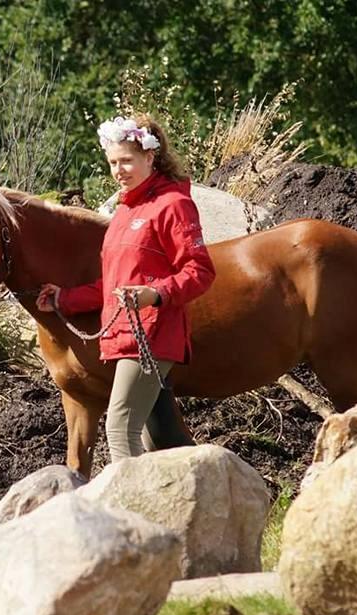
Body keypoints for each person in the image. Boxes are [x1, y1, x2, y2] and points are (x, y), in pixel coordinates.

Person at [36, 114, 216, 462]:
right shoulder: (123, 212)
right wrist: (65, 298)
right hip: (122, 336)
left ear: (150, 157)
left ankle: (130, 510)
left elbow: (200, 270)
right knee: (152, 441)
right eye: (113, 163)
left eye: (127, 161)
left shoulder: (173, 204)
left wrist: (155, 294)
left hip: (153, 333)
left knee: (119, 427)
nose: (119, 170)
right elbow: (114, 284)